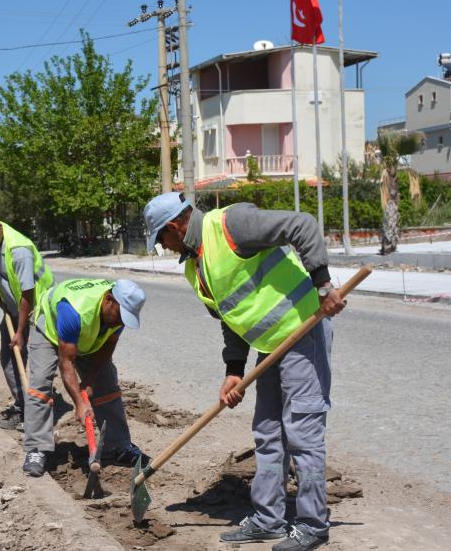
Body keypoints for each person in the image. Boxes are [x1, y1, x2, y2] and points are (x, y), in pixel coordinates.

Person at [143, 192, 347, 551]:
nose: (164, 247)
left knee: (302, 431)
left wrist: (323, 285)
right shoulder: (196, 266)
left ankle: (313, 524)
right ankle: (269, 519)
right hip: (270, 346)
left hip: (304, 330)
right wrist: (234, 370)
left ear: (174, 226)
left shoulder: (230, 225)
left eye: (161, 240)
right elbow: (231, 316)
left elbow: (303, 225)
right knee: (268, 432)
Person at [22, 277, 151, 477]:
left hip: (84, 332)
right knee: (40, 383)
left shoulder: (119, 313)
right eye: (120, 316)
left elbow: (107, 346)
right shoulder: (74, 310)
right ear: (108, 300)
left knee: (106, 382)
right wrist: (80, 404)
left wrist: (90, 380)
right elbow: (66, 362)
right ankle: (37, 449)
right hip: (49, 327)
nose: (121, 322)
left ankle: (118, 446)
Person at [0, 209, 54, 430]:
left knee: (39, 359)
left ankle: (39, 412)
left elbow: (28, 293)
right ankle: (23, 406)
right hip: (16, 307)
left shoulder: (19, 249)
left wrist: (20, 331)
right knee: (9, 357)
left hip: (41, 307)